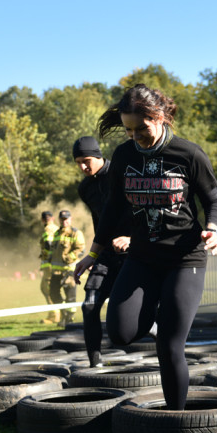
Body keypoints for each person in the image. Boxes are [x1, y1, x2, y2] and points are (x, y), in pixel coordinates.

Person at [74, 84, 217, 410]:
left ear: (161, 117)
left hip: (184, 258)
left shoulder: (188, 153)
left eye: (141, 128)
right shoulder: (125, 156)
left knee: (169, 347)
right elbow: (112, 211)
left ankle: (176, 418)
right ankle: (158, 307)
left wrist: (212, 230)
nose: (135, 136)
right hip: (142, 257)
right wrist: (94, 253)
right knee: (121, 333)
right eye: (128, 130)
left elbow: (213, 200)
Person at [73, 135, 132, 367]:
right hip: (106, 253)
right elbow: (100, 223)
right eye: (77, 162)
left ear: (98, 155)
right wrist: (92, 255)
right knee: (89, 305)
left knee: (124, 313)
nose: (82, 167)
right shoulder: (85, 188)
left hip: (135, 251)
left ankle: (159, 335)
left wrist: (131, 238)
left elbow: (145, 211)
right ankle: (94, 365)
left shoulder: (122, 174)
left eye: (86, 160)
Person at [48, 210, 86, 326]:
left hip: (70, 271)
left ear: (70, 219)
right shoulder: (57, 233)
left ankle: (69, 319)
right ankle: (64, 314)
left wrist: (69, 257)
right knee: (53, 293)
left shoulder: (76, 233)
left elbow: (81, 250)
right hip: (56, 271)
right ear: (59, 220)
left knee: (70, 297)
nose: (64, 221)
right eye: (62, 219)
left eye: (66, 219)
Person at [37, 210, 60, 324]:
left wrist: (46, 256)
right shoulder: (57, 228)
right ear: (53, 218)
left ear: (42, 220)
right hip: (56, 264)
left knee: (47, 289)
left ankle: (54, 316)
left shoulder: (48, 229)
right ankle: (62, 313)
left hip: (49, 265)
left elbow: (48, 244)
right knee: (51, 289)